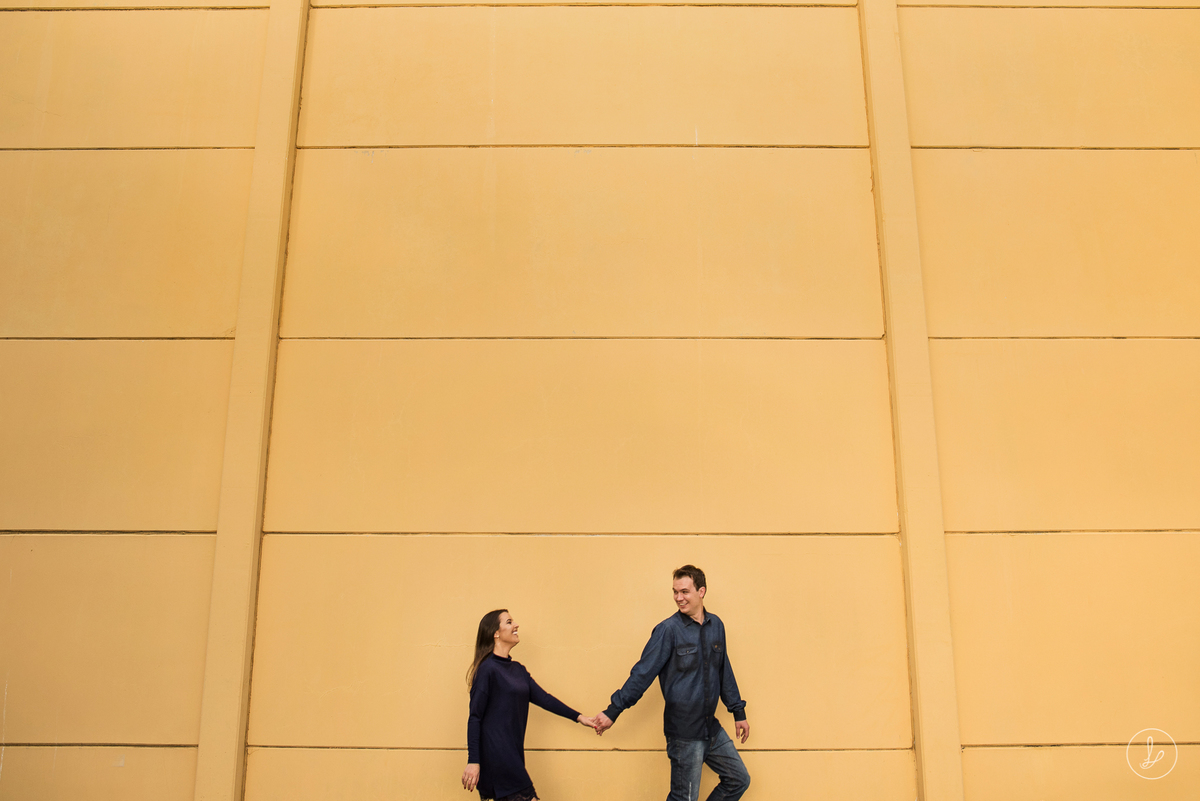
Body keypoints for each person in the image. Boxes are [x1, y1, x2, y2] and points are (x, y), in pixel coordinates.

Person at [592, 565, 750, 801]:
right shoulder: (668, 630)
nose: (679, 598)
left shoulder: (716, 625)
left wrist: (738, 712)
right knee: (683, 798)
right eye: (675, 592)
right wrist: (613, 711)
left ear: (701, 591)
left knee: (738, 779)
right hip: (684, 733)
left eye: (685, 591)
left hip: (710, 728)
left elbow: (724, 672)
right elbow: (641, 674)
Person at [462, 609, 597, 800]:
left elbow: (545, 699)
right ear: (496, 632)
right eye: (509, 622)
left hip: (513, 754)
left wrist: (580, 717)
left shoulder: (518, 670)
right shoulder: (487, 670)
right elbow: (475, 717)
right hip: (497, 755)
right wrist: (473, 761)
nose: (516, 625)